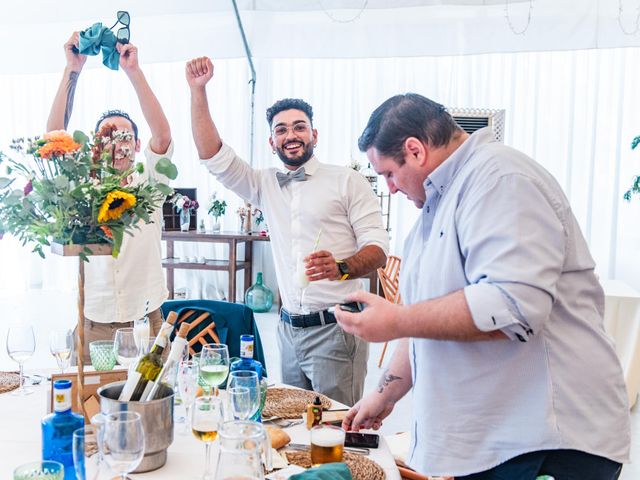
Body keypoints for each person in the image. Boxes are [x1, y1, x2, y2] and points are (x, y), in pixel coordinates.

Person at [335, 93, 630, 479]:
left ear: (415, 150)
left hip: (543, 443)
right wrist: (383, 393)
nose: (389, 188)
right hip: (494, 442)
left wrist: (399, 320)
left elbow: (512, 307)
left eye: (389, 173)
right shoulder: (440, 202)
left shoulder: (501, 179)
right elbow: (424, 318)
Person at [186, 56, 389, 406]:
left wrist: (341, 267)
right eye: (281, 129)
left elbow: (379, 249)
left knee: (335, 427)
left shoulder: (347, 181)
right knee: (295, 424)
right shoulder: (263, 184)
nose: (291, 135)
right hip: (288, 330)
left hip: (337, 328)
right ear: (271, 142)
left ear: (314, 134)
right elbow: (212, 156)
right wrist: (198, 91)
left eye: (299, 127)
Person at [47, 32, 173, 363]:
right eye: (108, 135)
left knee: (150, 402)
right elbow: (53, 140)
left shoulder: (151, 179)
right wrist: (71, 71)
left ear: (136, 141)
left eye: (125, 135)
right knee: (89, 407)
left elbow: (163, 135)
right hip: (94, 323)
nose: (117, 142)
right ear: (95, 146)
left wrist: (134, 71)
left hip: (146, 319)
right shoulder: (80, 184)